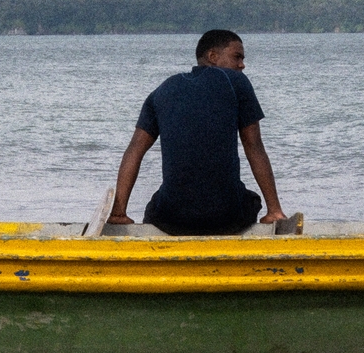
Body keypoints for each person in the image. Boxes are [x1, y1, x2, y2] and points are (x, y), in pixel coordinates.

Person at [110, 28, 286, 235]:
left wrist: (119, 212)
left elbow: (134, 150)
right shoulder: (235, 81)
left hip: (171, 218)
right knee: (250, 200)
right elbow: (253, 145)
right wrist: (273, 210)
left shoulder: (163, 90)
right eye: (237, 57)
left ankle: (121, 214)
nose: (242, 65)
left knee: (156, 205)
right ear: (212, 56)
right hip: (226, 216)